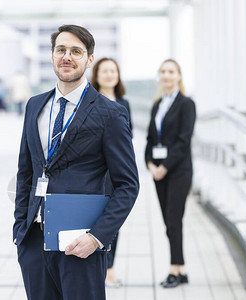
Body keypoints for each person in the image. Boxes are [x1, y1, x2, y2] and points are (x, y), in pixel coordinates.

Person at [13, 24, 139, 300]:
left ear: (89, 60)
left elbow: (128, 185)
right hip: (34, 241)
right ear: (52, 56)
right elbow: (26, 172)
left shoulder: (110, 114)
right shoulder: (35, 106)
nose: (66, 56)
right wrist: (19, 228)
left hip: (80, 242)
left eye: (76, 51)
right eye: (61, 50)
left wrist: (97, 237)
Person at [145, 58, 196, 288]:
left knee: (173, 220)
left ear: (179, 76)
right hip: (158, 171)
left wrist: (164, 166)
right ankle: (182, 269)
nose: (166, 75)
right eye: (163, 71)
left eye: (171, 71)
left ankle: (174, 270)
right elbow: (150, 138)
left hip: (178, 170)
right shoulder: (158, 104)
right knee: (169, 221)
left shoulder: (186, 104)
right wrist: (149, 163)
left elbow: (184, 141)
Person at [91, 57, 133, 288]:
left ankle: (110, 269)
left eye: (113, 71)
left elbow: (129, 136)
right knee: (93, 219)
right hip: (95, 172)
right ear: (96, 75)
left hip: (115, 172)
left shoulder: (123, 104)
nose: (109, 75)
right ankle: (97, 267)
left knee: (114, 220)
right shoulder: (89, 102)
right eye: (104, 71)